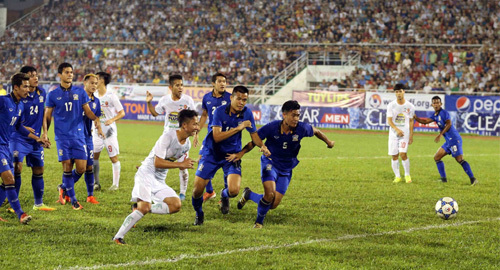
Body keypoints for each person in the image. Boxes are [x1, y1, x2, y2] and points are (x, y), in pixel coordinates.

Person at [235, 100, 335, 228]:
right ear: (284, 115)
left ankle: (249, 194)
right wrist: (242, 153)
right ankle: (258, 222)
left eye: (298, 115)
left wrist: (328, 142)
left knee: (273, 204)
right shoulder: (272, 127)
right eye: (293, 115)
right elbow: (254, 141)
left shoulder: (302, 128)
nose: (296, 119)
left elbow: (316, 132)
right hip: (270, 162)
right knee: (270, 193)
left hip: (287, 168)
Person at [112, 109, 199, 245]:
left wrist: (182, 191)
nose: (197, 127)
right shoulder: (168, 136)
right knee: (144, 207)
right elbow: (157, 162)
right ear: (184, 125)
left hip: (159, 180)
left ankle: (138, 208)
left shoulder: (186, 144)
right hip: (146, 173)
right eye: (194, 124)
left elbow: (182, 167)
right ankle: (118, 237)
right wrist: (180, 164)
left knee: (175, 205)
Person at [191, 85, 270, 226]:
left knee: (233, 191)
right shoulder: (220, 112)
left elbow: (254, 136)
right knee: (197, 191)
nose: (241, 102)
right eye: (238, 99)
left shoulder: (247, 113)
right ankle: (199, 214)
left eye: (244, 100)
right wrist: (238, 128)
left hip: (231, 155)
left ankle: (223, 194)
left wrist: (262, 146)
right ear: (231, 98)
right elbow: (216, 137)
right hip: (212, 153)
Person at [43, 63, 98, 210]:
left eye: (71, 72)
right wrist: (45, 134)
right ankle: (74, 201)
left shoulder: (80, 92)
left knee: (82, 168)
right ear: (60, 74)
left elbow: (87, 111)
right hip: (62, 137)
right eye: (67, 72)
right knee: (67, 168)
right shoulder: (53, 94)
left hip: (79, 136)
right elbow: (47, 116)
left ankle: (63, 187)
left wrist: (96, 119)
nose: (70, 75)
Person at [0, 73, 49, 223]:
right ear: (16, 87)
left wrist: (37, 139)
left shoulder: (20, 105)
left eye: (29, 86)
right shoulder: (3, 101)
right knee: (9, 178)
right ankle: (21, 214)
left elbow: (18, 126)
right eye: (25, 86)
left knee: (8, 180)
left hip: (5, 146)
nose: (28, 89)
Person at [9, 66, 55, 211]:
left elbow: (43, 115)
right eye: (30, 76)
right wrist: (23, 126)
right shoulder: (19, 96)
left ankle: (38, 204)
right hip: (18, 138)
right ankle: (12, 205)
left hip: (36, 139)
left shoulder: (42, 93)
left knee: (39, 169)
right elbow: (14, 120)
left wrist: (45, 133)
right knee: (17, 167)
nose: (35, 78)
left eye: (36, 75)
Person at [146, 74, 195, 200]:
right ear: (170, 87)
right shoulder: (165, 100)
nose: (180, 88)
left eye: (181, 85)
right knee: (158, 163)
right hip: (167, 139)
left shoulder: (188, 100)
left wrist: (195, 135)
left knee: (183, 166)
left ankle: (182, 193)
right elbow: (155, 113)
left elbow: (195, 119)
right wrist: (149, 102)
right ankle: (152, 186)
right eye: (177, 85)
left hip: (182, 140)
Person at [414, 96, 477, 185]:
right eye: (434, 103)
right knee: (437, 158)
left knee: (459, 160)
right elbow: (425, 121)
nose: (436, 104)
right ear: (432, 104)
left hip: (454, 139)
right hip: (448, 141)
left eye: (437, 102)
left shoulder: (444, 113)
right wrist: (415, 117)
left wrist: (440, 134)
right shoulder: (435, 115)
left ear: (441, 104)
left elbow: (449, 124)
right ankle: (443, 179)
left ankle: (473, 179)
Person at [197, 72, 231, 201]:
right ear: (213, 83)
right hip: (210, 137)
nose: (223, 84)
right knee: (201, 161)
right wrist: (198, 130)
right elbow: (204, 115)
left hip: (225, 137)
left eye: (224, 81)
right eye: (220, 81)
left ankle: (225, 195)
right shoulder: (206, 98)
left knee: (227, 165)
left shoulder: (230, 98)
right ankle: (210, 191)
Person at [92, 72, 125, 191]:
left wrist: (112, 119)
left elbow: (122, 112)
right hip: (96, 131)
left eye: (96, 78)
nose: (95, 81)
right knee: (94, 157)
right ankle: (96, 183)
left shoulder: (111, 96)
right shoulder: (93, 95)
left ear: (102, 80)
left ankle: (115, 185)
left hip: (109, 131)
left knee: (113, 158)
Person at [386, 83, 415, 183]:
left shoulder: (410, 106)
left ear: (404, 92)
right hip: (394, 134)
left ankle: (407, 175)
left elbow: (411, 120)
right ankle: (397, 176)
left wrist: (411, 135)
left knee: (403, 154)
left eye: (400, 91)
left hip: (404, 134)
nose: (398, 94)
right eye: (396, 92)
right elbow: (389, 120)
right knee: (394, 155)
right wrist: (397, 129)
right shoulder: (391, 105)